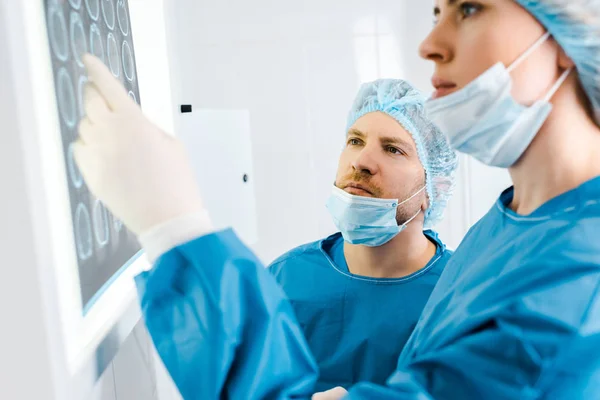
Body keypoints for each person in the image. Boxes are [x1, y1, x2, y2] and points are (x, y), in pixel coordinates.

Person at [73, 0, 600, 398]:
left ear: (568, 33)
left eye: (469, 8)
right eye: (436, 10)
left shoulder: (574, 285)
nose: (430, 42)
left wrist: (175, 228)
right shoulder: (512, 223)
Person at [268, 79, 457, 391]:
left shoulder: (460, 294)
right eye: (355, 141)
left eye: (393, 149)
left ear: (433, 188)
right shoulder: (283, 280)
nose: (361, 162)